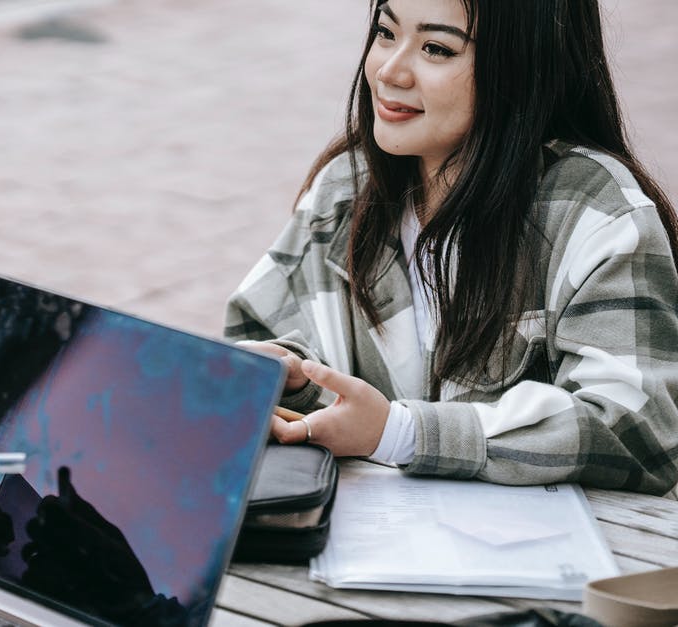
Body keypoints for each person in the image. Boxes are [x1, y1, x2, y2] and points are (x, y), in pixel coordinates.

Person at [226, 0, 678, 496]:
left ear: (522, 65)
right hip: (360, 550)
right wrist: (292, 381)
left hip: (550, 561)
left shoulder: (597, 213)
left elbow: (638, 431)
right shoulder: (345, 191)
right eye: (385, 32)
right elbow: (258, 331)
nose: (390, 71)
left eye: (436, 48)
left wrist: (402, 433)